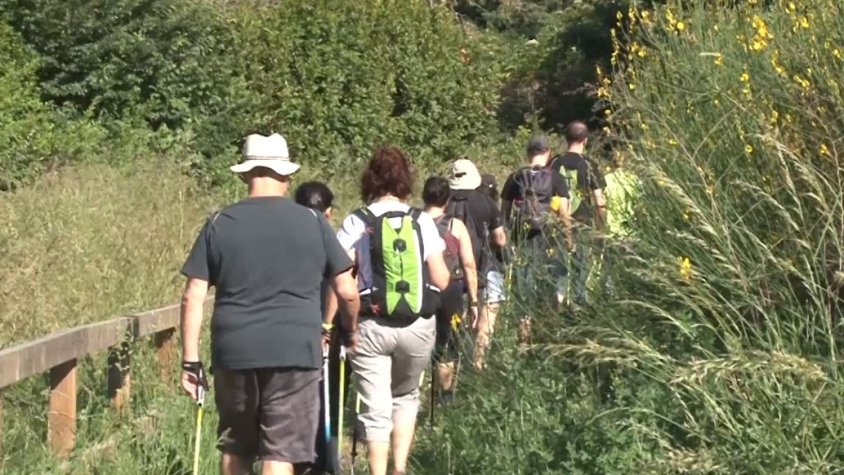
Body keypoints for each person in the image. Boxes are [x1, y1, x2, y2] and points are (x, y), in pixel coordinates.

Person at [179, 133, 361, 475]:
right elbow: (348, 291)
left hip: (235, 351)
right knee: (281, 449)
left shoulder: (219, 223)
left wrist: (190, 362)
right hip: (294, 351)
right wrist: (349, 332)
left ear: (245, 174)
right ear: (287, 176)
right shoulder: (313, 223)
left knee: (237, 446)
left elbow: (193, 295)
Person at [328, 146, 450, 475]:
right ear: (405, 180)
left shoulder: (357, 220)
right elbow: (441, 277)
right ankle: (400, 468)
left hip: (370, 324)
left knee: (375, 405)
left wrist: (336, 325)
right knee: (407, 395)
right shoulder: (422, 220)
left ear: (370, 179)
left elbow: (340, 276)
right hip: (417, 325)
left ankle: (378, 472)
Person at [293, 180, 346, 475]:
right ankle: (324, 461)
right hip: (323, 330)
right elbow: (343, 288)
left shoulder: (283, 239)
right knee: (326, 397)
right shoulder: (331, 239)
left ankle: (300, 460)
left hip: (289, 328)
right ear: (328, 212)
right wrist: (334, 326)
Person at [501, 134, 572, 344]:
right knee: (548, 290)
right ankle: (546, 341)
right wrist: (569, 240)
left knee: (523, 292)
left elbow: (503, 212)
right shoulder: (556, 178)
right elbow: (565, 215)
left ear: (528, 153)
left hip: (522, 240)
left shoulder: (515, 177)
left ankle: (524, 344)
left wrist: (508, 238)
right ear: (548, 152)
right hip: (549, 242)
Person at [422, 176, 478, 402]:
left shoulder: (413, 222)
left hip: (421, 287)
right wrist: (474, 300)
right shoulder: (456, 226)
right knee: (447, 343)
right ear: (447, 200)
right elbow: (469, 264)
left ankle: (415, 394)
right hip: (450, 290)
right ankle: (443, 398)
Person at [446, 159, 507, 368]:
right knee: (486, 318)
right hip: (485, 266)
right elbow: (499, 239)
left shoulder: (444, 202)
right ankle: (478, 364)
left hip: (450, 270)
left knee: (456, 320)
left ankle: (453, 361)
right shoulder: (486, 202)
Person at [547, 121, 607, 307]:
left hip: (558, 221)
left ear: (566, 139)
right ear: (585, 140)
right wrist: (602, 225)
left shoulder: (555, 162)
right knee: (581, 263)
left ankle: (557, 299)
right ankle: (578, 305)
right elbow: (599, 201)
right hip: (583, 222)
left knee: (559, 263)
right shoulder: (589, 165)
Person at [473, 173, 506, 369]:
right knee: (487, 323)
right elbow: (500, 240)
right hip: (492, 269)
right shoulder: (493, 209)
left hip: (470, 271)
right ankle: (479, 363)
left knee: (472, 320)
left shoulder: (466, 208)